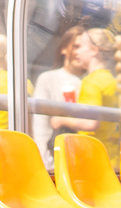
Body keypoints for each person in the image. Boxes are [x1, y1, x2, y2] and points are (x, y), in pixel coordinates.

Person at [51, 28, 121, 170]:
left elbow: (90, 123)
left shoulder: (91, 81)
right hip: (111, 159)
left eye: (80, 47)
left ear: (94, 50)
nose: (77, 52)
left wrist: (60, 120)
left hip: (93, 160)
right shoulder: (109, 79)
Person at [32, 25, 87, 170]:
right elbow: (40, 125)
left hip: (87, 160)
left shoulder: (93, 81)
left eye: (84, 47)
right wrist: (46, 165)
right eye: (75, 46)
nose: (79, 52)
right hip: (57, 160)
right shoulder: (48, 79)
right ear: (63, 49)